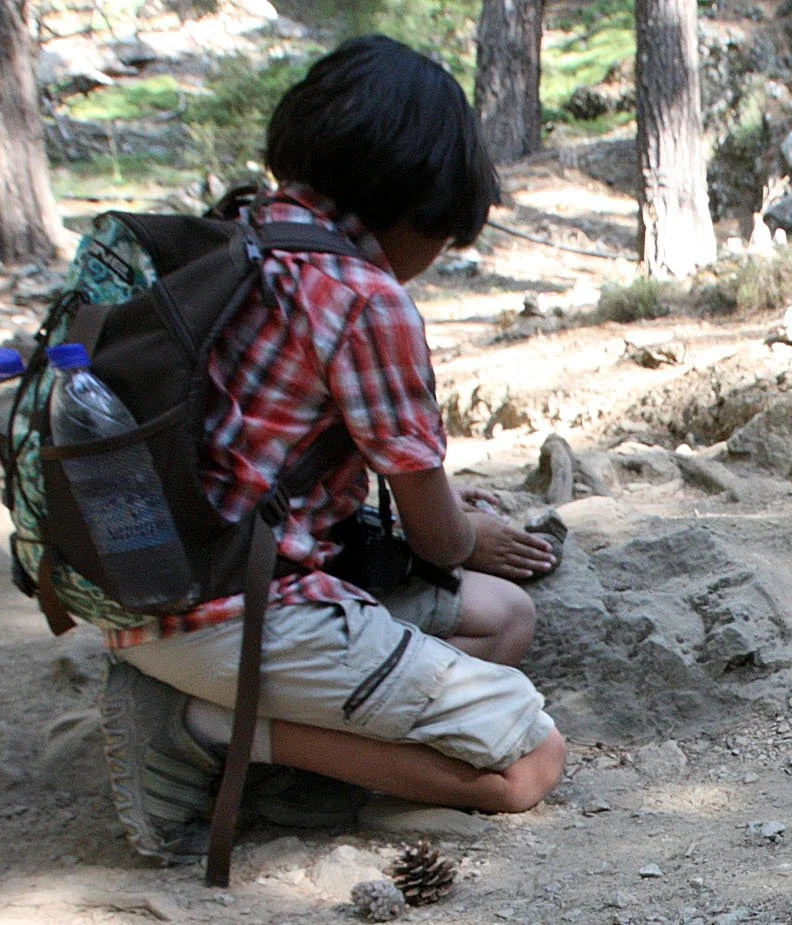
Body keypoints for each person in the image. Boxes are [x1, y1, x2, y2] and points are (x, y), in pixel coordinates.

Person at [100, 35, 566, 859]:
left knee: (503, 619)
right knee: (529, 761)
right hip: (236, 609)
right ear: (419, 202)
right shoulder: (362, 295)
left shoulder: (240, 235)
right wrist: (469, 534)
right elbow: (439, 539)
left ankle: (256, 739)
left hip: (165, 577)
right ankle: (199, 724)